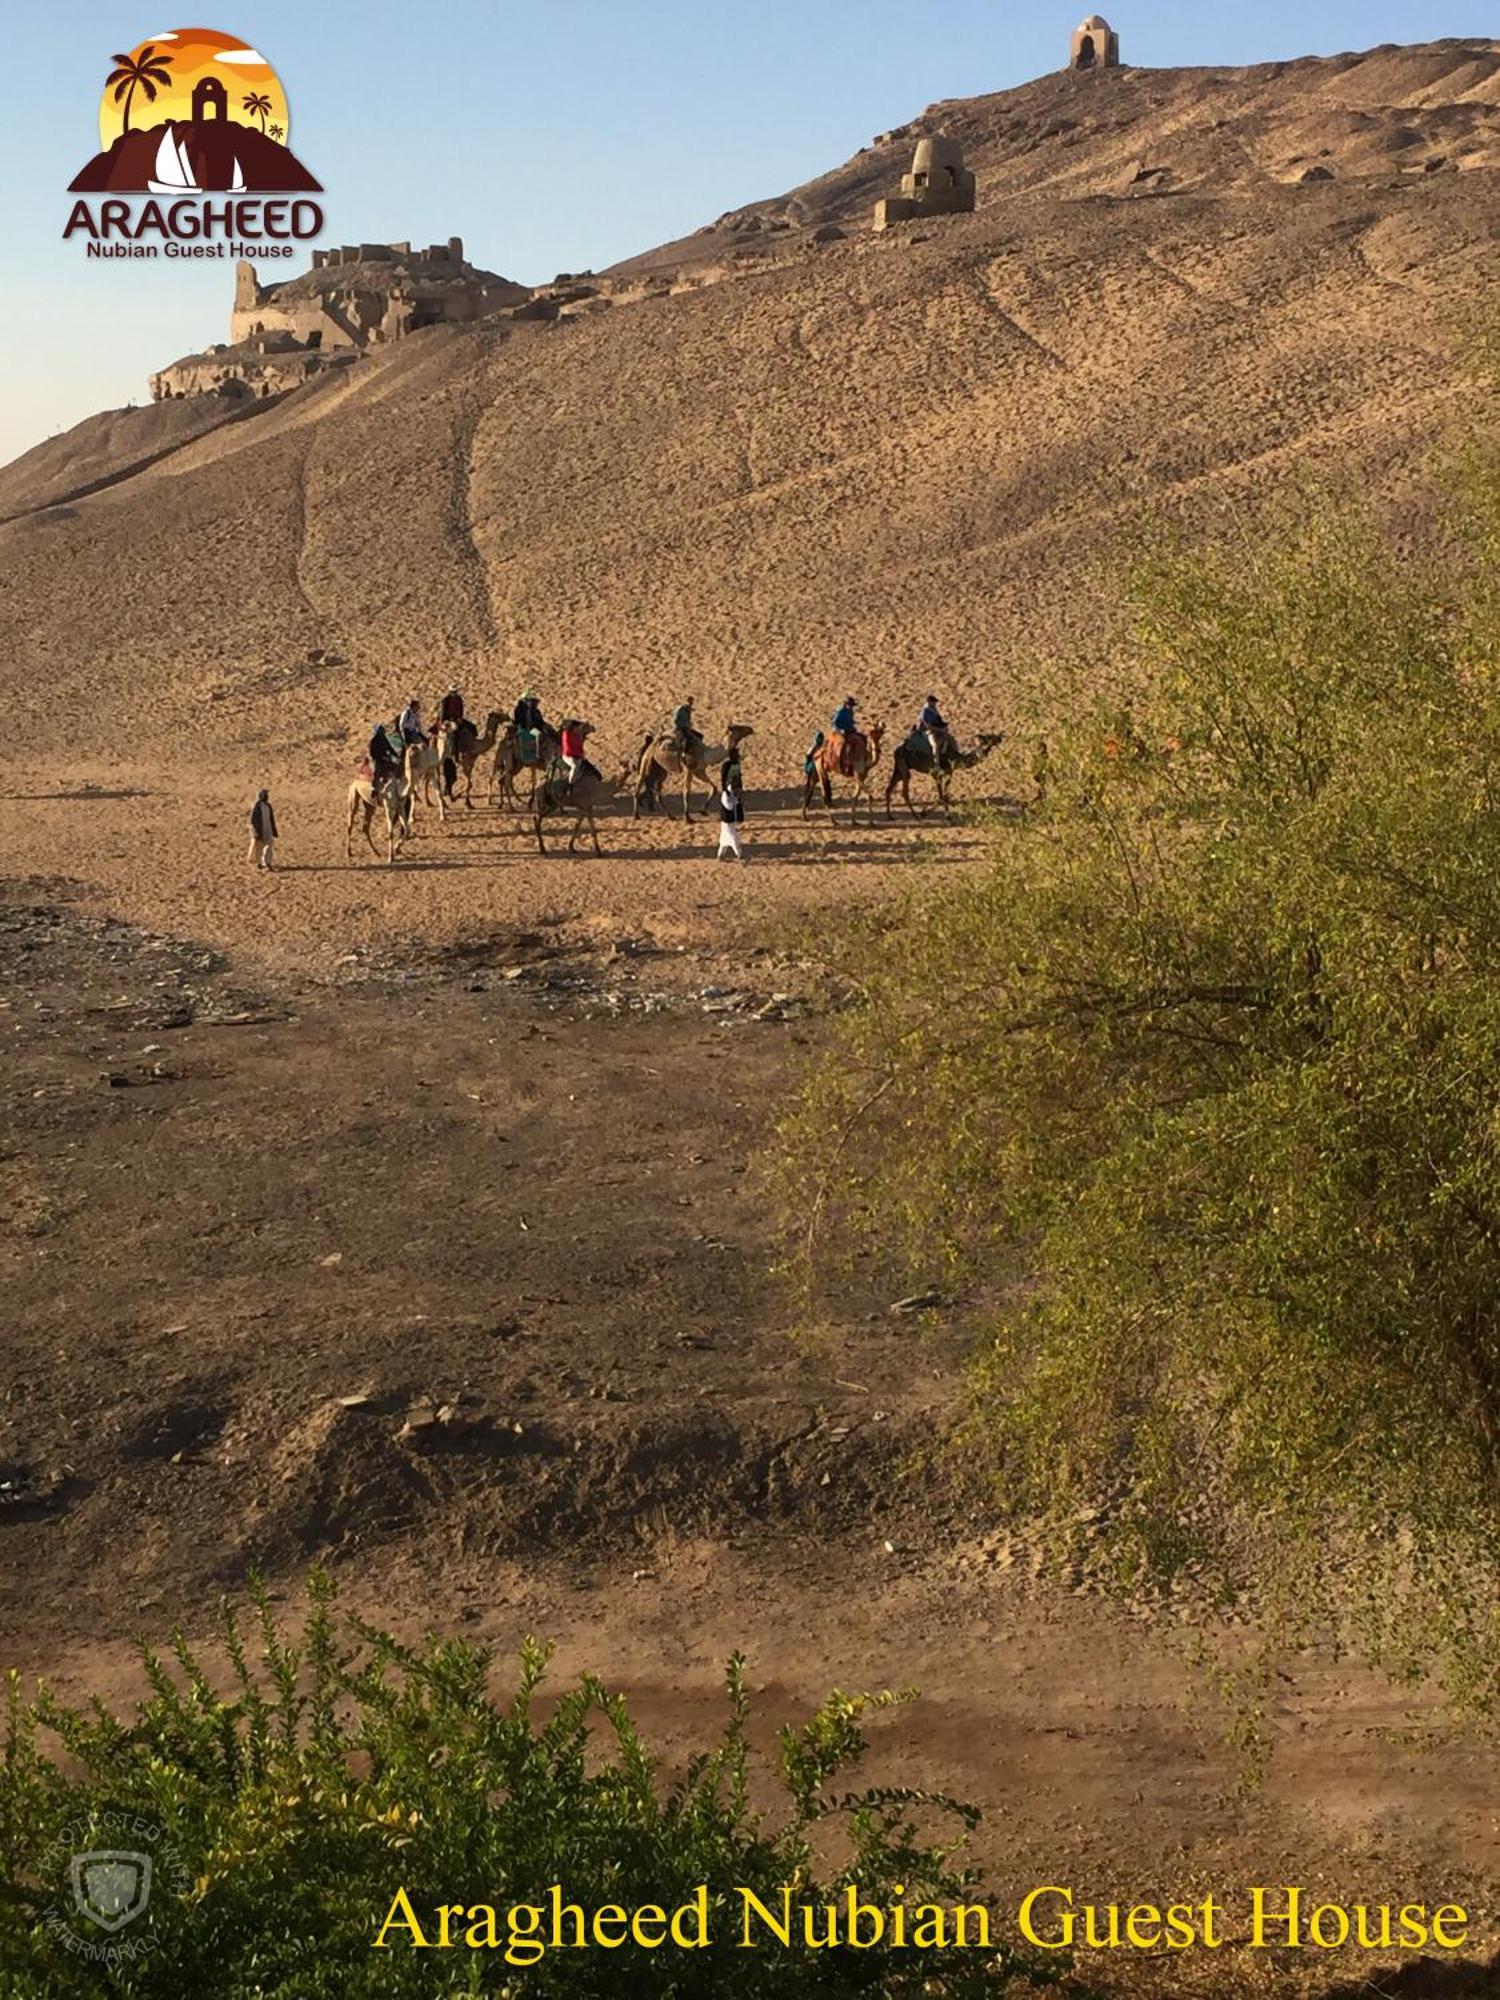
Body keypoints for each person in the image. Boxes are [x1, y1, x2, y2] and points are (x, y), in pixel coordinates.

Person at [717, 750, 746, 862]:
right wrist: (735, 801)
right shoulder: (726, 766)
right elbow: (728, 806)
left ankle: (720, 856)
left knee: (724, 840)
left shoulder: (737, 766)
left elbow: (738, 778)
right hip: (727, 821)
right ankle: (740, 856)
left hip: (729, 821)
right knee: (733, 839)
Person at [919, 693, 953, 769]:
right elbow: (928, 725)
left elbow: (939, 721)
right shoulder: (925, 712)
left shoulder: (934, 710)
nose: (935, 704)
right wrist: (940, 729)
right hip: (929, 731)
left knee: (949, 739)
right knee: (935, 744)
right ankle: (936, 764)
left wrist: (944, 726)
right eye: (933, 702)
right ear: (929, 702)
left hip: (938, 730)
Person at [367, 720, 401, 795]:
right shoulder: (373, 741)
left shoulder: (384, 739)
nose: (382, 732)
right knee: (376, 772)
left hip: (385, 758)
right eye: (381, 731)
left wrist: (397, 756)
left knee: (396, 766)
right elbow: (372, 753)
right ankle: (374, 789)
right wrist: (382, 757)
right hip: (377, 760)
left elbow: (390, 748)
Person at [247, 788, 278, 870]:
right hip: (260, 830)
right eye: (265, 795)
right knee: (259, 847)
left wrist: (274, 830)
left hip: (268, 829)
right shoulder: (256, 806)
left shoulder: (268, 806)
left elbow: (271, 818)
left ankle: (267, 862)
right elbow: (252, 820)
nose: (267, 796)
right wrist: (255, 831)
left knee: (269, 845)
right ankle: (259, 863)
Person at [831, 695, 859, 776]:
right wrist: (840, 730)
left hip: (848, 730)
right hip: (839, 731)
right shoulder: (840, 712)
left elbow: (850, 722)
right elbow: (834, 723)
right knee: (844, 744)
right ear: (846, 704)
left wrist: (853, 726)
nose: (851, 707)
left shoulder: (851, 712)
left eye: (852, 705)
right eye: (850, 705)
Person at [559, 717, 590, 786]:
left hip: (575, 755)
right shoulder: (566, 735)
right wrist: (579, 754)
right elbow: (568, 748)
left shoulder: (576, 735)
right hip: (568, 755)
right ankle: (570, 783)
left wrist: (581, 754)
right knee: (574, 766)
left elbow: (579, 747)